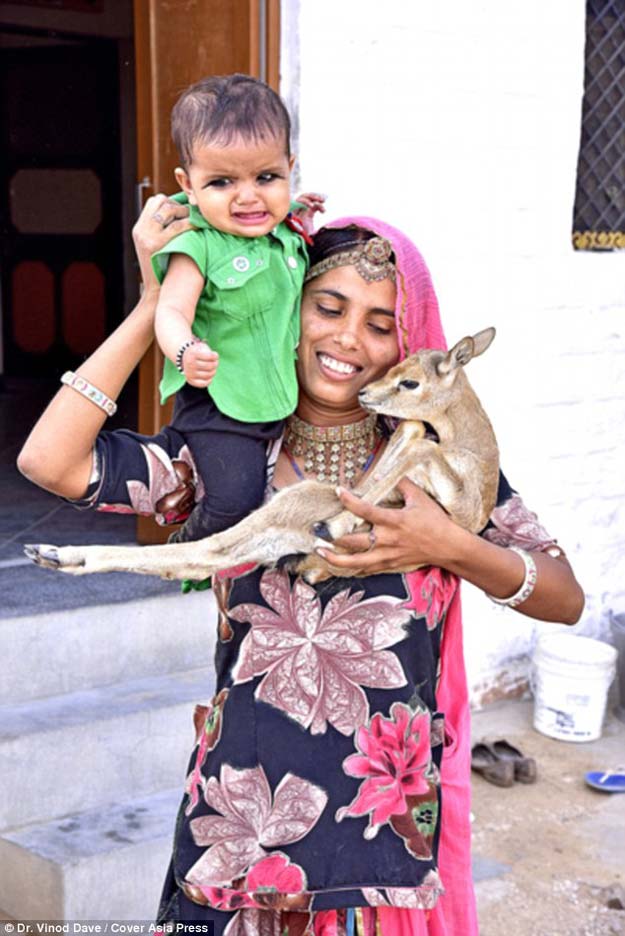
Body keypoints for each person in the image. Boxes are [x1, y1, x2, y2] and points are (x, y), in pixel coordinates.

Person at [18, 196, 584, 936]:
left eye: (380, 325)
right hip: (240, 827)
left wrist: (450, 547)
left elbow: (563, 597)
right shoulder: (224, 459)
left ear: (406, 345)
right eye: (328, 306)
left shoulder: (436, 474)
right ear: (289, 308)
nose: (347, 338)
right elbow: (49, 461)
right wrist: (157, 304)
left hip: (378, 848)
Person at [152, 74, 324, 542]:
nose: (248, 196)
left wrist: (295, 210)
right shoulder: (200, 246)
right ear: (189, 184)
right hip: (219, 405)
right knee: (235, 502)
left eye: (266, 177)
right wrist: (185, 350)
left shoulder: (282, 231)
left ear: (289, 168)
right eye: (222, 182)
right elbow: (169, 312)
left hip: (275, 400)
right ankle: (184, 548)